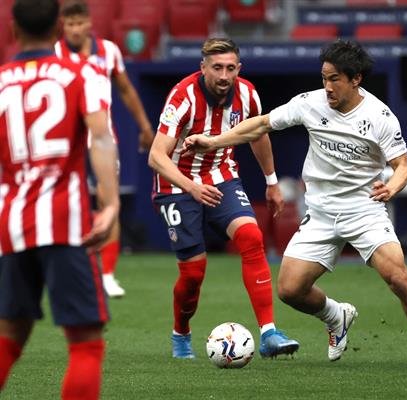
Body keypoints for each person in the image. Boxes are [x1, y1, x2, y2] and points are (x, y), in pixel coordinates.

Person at [182, 39, 407, 370]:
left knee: (398, 277)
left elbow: (401, 166)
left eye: (335, 79)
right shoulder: (309, 103)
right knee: (289, 290)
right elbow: (260, 124)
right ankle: (336, 315)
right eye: (324, 78)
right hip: (321, 212)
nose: (327, 87)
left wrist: (392, 188)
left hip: (364, 209)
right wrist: (213, 141)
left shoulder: (380, 116)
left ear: (356, 79)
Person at [147, 38, 299, 359]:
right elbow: (156, 156)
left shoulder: (247, 94)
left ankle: (269, 333)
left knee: (251, 236)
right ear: (203, 68)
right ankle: (181, 332)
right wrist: (190, 187)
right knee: (193, 275)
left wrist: (271, 182)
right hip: (177, 184)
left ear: (238, 69)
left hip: (222, 176)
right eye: (217, 68)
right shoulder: (183, 96)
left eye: (230, 68)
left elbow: (257, 134)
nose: (224, 76)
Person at [0, 0, 119, 398]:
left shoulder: (0, 80)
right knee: (86, 341)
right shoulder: (79, 74)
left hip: (11, 224)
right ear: (57, 29)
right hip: (65, 223)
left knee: (10, 334)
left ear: (13, 30)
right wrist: (110, 204)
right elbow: (100, 137)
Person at [55, 0, 155, 297]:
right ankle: (66, 269)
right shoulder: (55, 53)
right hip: (66, 137)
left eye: (79, 23)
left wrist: (145, 126)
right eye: (69, 24)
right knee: (66, 201)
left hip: (102, 135)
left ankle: (108, 274)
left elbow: (125, 88)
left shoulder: (109, 51)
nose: (74, 29)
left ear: (89, 23)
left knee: (108, 200)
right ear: (63, 25)